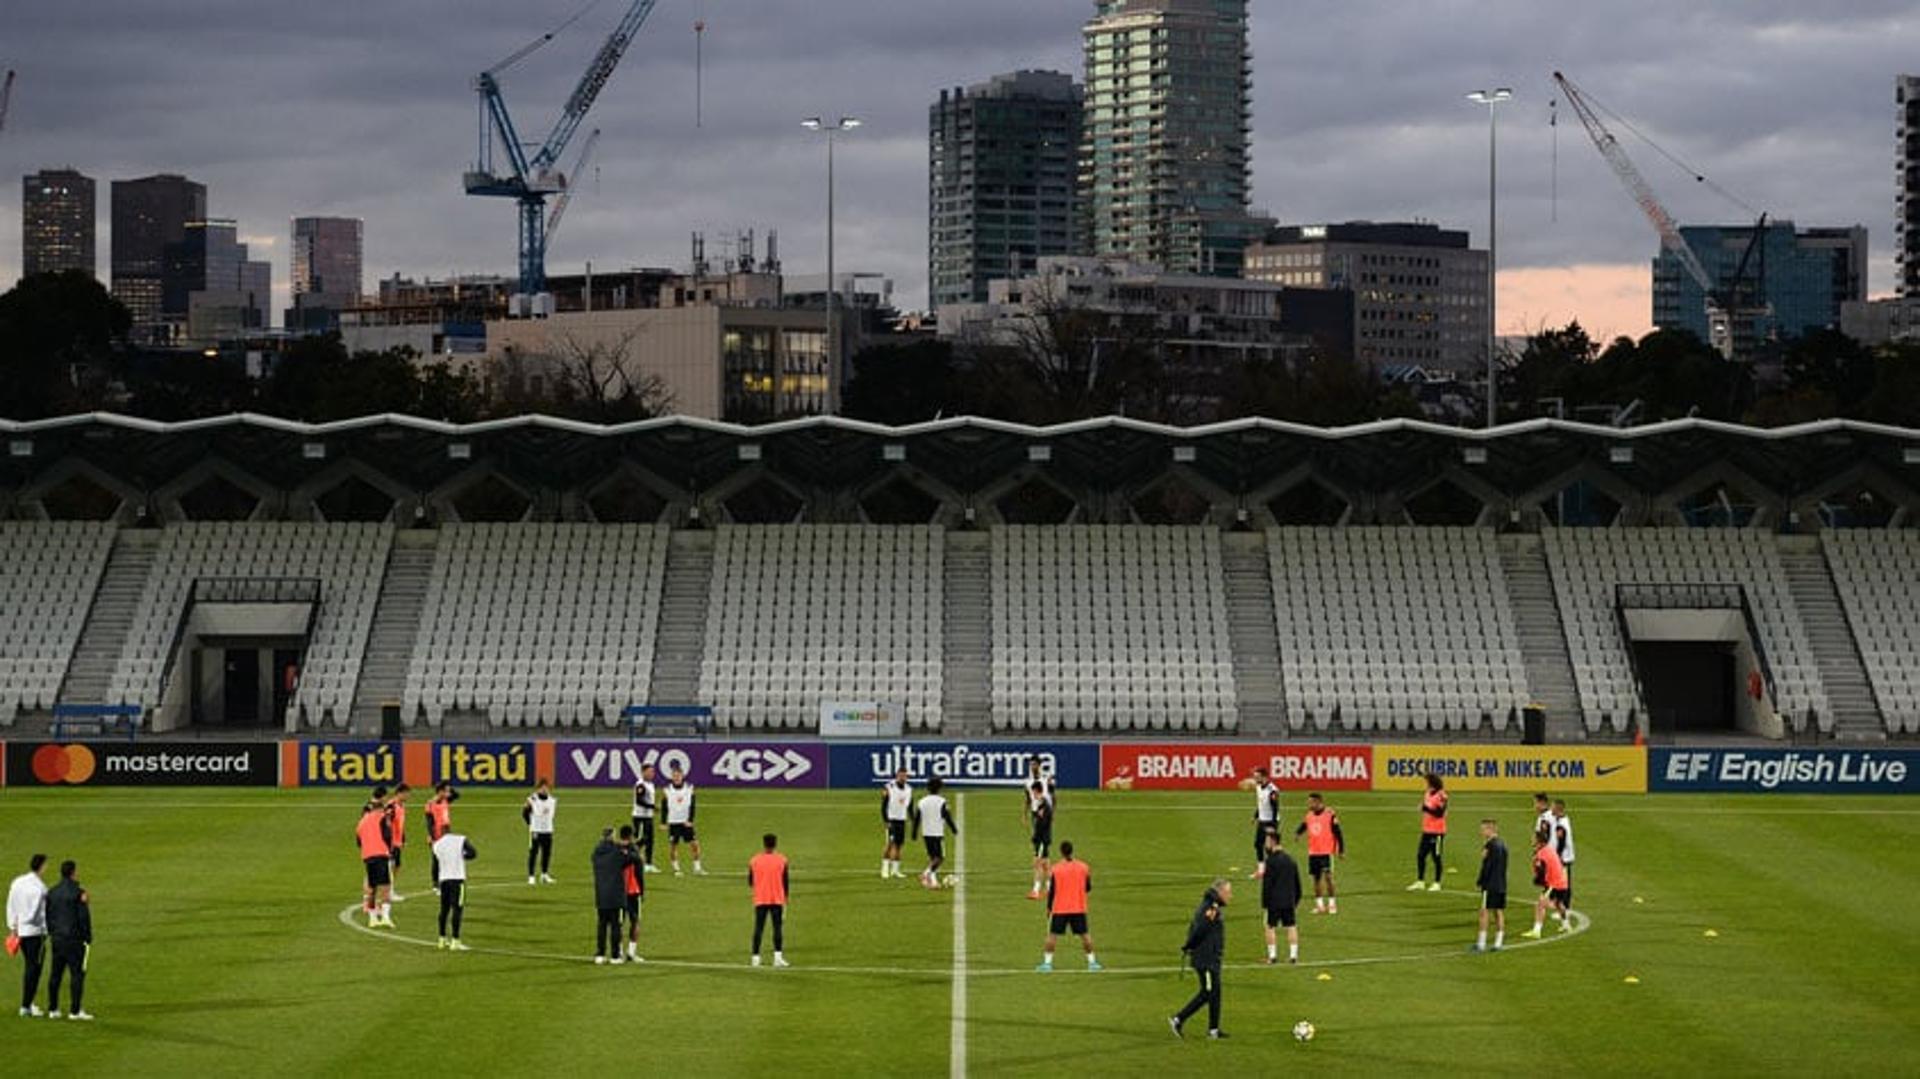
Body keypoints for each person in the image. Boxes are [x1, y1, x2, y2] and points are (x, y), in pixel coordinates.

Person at [1170, 879, 1231, 1040]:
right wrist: (1189, 946)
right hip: (1206, 959)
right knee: (1208, 993)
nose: (1230, 896)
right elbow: (1200, 929)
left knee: (1215, 993)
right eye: (1228, 892)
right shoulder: (1211, 908)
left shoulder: (1210, 905)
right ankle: (1178, 1019)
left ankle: (1213, 1030)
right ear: (1220, 893)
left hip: (1210, 958)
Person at [1037, 840, 1098, 972]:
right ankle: (1092, 963)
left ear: (1061, 852)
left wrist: (1049, 908)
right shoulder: (1083, 867)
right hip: (1078, 907)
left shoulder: (1056, 869)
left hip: (1060, 908)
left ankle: (1047, 964)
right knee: (1085, 935)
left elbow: (1052, 891)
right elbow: (1088, 887)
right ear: (1072, 851)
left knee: (1052, 935)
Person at [43, 861, 91, 1021]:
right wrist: (88, 936)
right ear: (73, 872)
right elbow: (83, 917)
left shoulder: (52, 892)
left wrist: (52, 932)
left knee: (55, 974)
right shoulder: (79, 893)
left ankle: (53, 1009)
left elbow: (48, 915)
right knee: (77, 975)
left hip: (57, 939)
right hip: (75, 940)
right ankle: (74, 1011)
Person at [6, 854, 48, 1017]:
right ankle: (26, 1006)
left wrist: (13, 926)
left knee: (30, 967)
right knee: (34, 969)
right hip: (35, 933)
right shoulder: (40, 888)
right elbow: (37, 913)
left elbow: (11, 905)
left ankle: (28, 1004)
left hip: (19, 933)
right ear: (42, 866)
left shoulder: (17, 882)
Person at [591, 827, 638, 964]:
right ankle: (615, 956)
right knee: (615, 926)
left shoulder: (596, 853)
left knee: (602, 925)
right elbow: (633, 858)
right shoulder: (617, 852)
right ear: (612, 837)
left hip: (601, 894)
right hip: (616, 895)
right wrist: (626, 847)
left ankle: (600, 954)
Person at [1294, 792, 1346, 915]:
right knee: (1316, 879)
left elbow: (1338, 833)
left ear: (1318, 802)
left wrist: (1341, 850)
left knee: (1328, 877)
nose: (1308, 804)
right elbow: (1304, 825)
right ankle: (1320, 905)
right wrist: (1297, 833)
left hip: (1326, 852)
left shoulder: (1329, 814)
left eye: (1311, 802)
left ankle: (1332, 904)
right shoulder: (1309, 815)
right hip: (1313, 852)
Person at [432, 826, 478, 952]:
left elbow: (435, 867)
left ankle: (441, 939)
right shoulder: (460, 839)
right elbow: (473, 853)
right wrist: (462, 855)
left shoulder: (437, 845)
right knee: (457, 910)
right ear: (451, 831)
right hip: (457, 879)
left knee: (444, 910)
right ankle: (455, 941)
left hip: (444, 880)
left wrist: (435, 884)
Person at [748, 833, 791, 968]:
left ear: (764, 844)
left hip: (760, 898)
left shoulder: (754, 860)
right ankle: (777, 958)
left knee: (758, 928)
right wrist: (786, 899)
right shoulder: (782, 860)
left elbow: (750, 881)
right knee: (777, 928)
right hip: (777, 899)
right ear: (775, 844)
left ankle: (755, 958)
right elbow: (786, 882)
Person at [1260, 833, 1302, 965]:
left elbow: (1267, 884)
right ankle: (1293, 956)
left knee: (1269, 927)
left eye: (1267, 841)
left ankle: (1272, 957)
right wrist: (1295, 901)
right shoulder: (1291, 860)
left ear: (1273, 842)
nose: (1265, 844)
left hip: (1274, 901)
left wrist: (1265, 902)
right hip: (1289, 901)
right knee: (1291, 926)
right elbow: (1298, 884)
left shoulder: (1270, 861)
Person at [1521, 830, 1571, 939]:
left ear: (1539, 840)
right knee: (1559, 904)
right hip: (1563, 883)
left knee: (1540, 905)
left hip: (1554, 884)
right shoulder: (1548, 849)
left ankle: (1536, 931)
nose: (1531, 839)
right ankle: (1566, 925)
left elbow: (1541, 871)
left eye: (1533, 838)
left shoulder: (1542, 853)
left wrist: (1537, 880)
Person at [357, 791, 395, 928]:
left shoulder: (361, 822)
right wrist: (390, 851)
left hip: (368, 856)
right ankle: (385, 917)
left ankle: (372, 918)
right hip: (381, 854)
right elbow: (387, 835)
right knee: (386, 887)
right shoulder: (382, 817)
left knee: (372, 888)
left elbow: (358, 841)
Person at [912, 777, 958, 889]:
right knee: (940, 858)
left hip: (926, 833)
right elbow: (947, 816)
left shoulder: (921, 801)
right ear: (940, 788)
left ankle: (933, 882)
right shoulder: (941, 801)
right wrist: (953, 828)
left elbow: (917, 818)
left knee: (933, 858)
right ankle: (925, 873)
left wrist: (914, 832)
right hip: (937, 833)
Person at [1473, 819, 1509, 953]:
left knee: (1484, 913)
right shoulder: (1503, 845)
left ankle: (1481, 943)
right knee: (1498, 912)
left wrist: (1480, 881)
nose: (1481, 832)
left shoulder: (1489, 845)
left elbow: (1487, 867)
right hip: (1501, 883)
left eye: (1483, 829)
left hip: (1490, 884)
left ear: (1490, 829)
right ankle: (1498, 942)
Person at [1409, 772, 1448, 892]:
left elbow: (1440, 813)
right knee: (1421, 855)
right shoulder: (1427, 794)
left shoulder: (1441, 795)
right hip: (1427, 830)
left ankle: (1437, 882)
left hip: (1437, 831)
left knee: (1436, 856)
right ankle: (1420, 881)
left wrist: (1425, 808)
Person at [663, 767, 706, 876]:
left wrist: (690, 820)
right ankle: (676, 869)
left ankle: (697, 868)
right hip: (673, 821)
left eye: (678, 775)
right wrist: (663, 822)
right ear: (672, 777)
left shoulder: (689, 788)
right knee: (674, 846)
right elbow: (664, 806)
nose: (676, 778)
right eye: (674, 776)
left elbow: (693, 805)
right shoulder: (667, 789)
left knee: (694, 845)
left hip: (685, 822)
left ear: (682, 776)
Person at [618, 825, 647, 962]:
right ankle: (631, 952)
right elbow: (639, 873)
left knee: (618, 922)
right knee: (635, 921)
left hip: (618, 891)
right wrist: (642, 891)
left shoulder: (614, 849)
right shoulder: (634, 852)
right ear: (631, 836)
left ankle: (617, 951)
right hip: (633, 891)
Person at [880, 768, 914, 880]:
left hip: (902, 820)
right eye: (900, 776)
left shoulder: (909, 789)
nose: (902, 778)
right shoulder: (889, 787)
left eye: (904, 776)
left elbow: (910, 806)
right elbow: (884, 806)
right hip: (892, 819)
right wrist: (886, 821)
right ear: (897, 776)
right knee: (890, 843)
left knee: (899, 845)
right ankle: (885, 869)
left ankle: (895, 871)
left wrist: (912, 819)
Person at [425, 781, 459, 887]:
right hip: (437, 834)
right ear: (440, 792)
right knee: (437, 859)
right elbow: (429, 822)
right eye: (446, 791)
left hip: (447, 832)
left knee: (447, 858)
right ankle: (436, 883)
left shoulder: (445, 800)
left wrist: (449, 788)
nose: (448, 793)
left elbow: (457, 795)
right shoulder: (430, 804)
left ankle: (444, 880)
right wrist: (431, 835)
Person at [1025, 780, 1055, 900]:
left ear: (1037, 791)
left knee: (1037, 863)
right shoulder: (1042, 804)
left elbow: (1042, 825)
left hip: (1042, 839)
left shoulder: (1044, 806)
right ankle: (1049, 889)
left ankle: (1036, 891)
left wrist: (1035, 837)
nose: (1033, 795)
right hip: (1043, 838)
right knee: (1046, 864)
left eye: (1033, 792)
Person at [524, 778, 557, 885]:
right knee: (533, 853)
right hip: (536, 831)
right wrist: (531, 824)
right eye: (542, 788)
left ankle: (544, 874)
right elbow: (525, 813)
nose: (544, 790)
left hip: (548, 830)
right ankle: (531, 876)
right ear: (538, 789)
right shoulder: (532, 799)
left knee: (546, 853)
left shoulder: (552, 801)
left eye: (546, 788)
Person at [1249, 767, 1281, 878]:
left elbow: (1275, 808)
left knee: (1270, 848)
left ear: (1264, 777)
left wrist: (1272, 826)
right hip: (1262, 821)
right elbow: (1261, 804)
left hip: (1270, 822)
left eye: (1257, 777)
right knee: (1258, 844)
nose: (1255, 779)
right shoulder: (1258, 787)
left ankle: (1274, 870)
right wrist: (1256, 816)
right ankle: (1261, 871)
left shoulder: (1272, 790)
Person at [632, 764, 659, 874]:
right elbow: (639, 801)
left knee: (650, 840)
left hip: (648, 816)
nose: (652, 773)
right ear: (643, 772)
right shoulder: (641, 785)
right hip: (640, 817)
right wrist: (653, 806)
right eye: (649, 771)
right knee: (641, 840)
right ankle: (631, 858)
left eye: (652, 771)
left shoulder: (650, 784)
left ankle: (648, 864)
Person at [1550, 799, 1577, 911]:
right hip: (1563, 857)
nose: (1551, 809)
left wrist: (1557, 857)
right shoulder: (1562, 820)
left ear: (1558, 808)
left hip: (1563, 858)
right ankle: (1560, 903)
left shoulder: (1561, 824)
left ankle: (1565, 907)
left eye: (1553, 807)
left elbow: (1561, 842)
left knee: (1564, 883)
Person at [386, 784, 411, 901]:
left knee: (397, 866)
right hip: (391, 843)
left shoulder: (401, 806)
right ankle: (388, 892)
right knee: (391, 866)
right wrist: (389, 842)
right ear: (400, 793)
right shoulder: (391, 806)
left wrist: (403, 838)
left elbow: (399, 824)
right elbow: (387, 824)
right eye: (406, 793)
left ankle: (390, 889)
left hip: (397, 842)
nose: (408, 796)